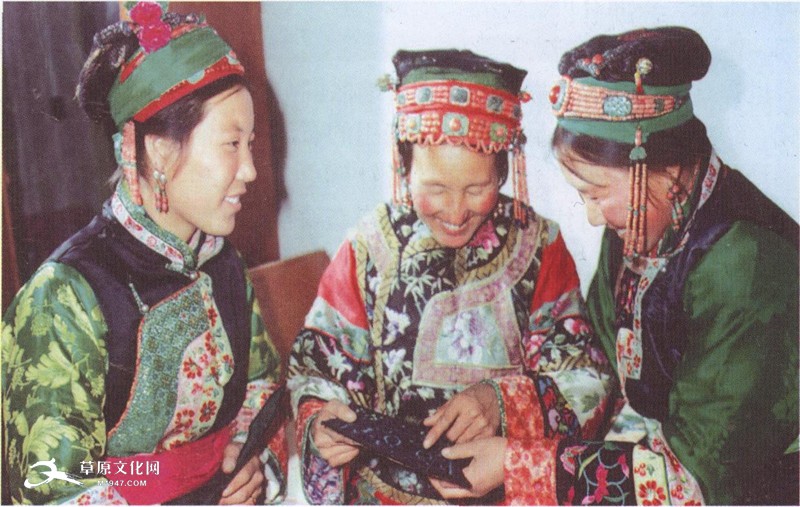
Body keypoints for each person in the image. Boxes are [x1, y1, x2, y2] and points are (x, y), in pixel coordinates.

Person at [432, 26, 799, 505]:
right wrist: (499, 406)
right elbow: (602, 370)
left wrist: (519, 464)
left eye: (597, 193)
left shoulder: (746, 263)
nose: (591, 216)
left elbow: (698, 478)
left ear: (665, 172)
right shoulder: (639, 226)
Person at [285, 48, 613, 504]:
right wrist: (320, 421)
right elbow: (318, 365)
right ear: (404, 169)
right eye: (435, 188)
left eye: (477, 188)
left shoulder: (539, 246)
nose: (456, 212)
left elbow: (585, 379)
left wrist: (501, 402)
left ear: (503, 173)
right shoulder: (368, 246)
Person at [1, 3, 287, 504]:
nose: (250, 170)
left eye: (251, 143)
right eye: (231, 144)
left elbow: (262, 388)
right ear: (158, 150)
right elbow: (51, 481)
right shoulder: (64, 297)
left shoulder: (223, 264)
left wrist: (251, 458)